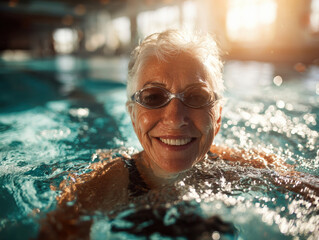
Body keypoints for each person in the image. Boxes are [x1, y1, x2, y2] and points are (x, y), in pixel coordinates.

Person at [38, 29, 304, 239]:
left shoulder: (246, 167)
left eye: (197, 96)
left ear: (219, 116)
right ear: (132, 115)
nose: (176, 118)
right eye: (154, 97)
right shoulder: (98, 189)